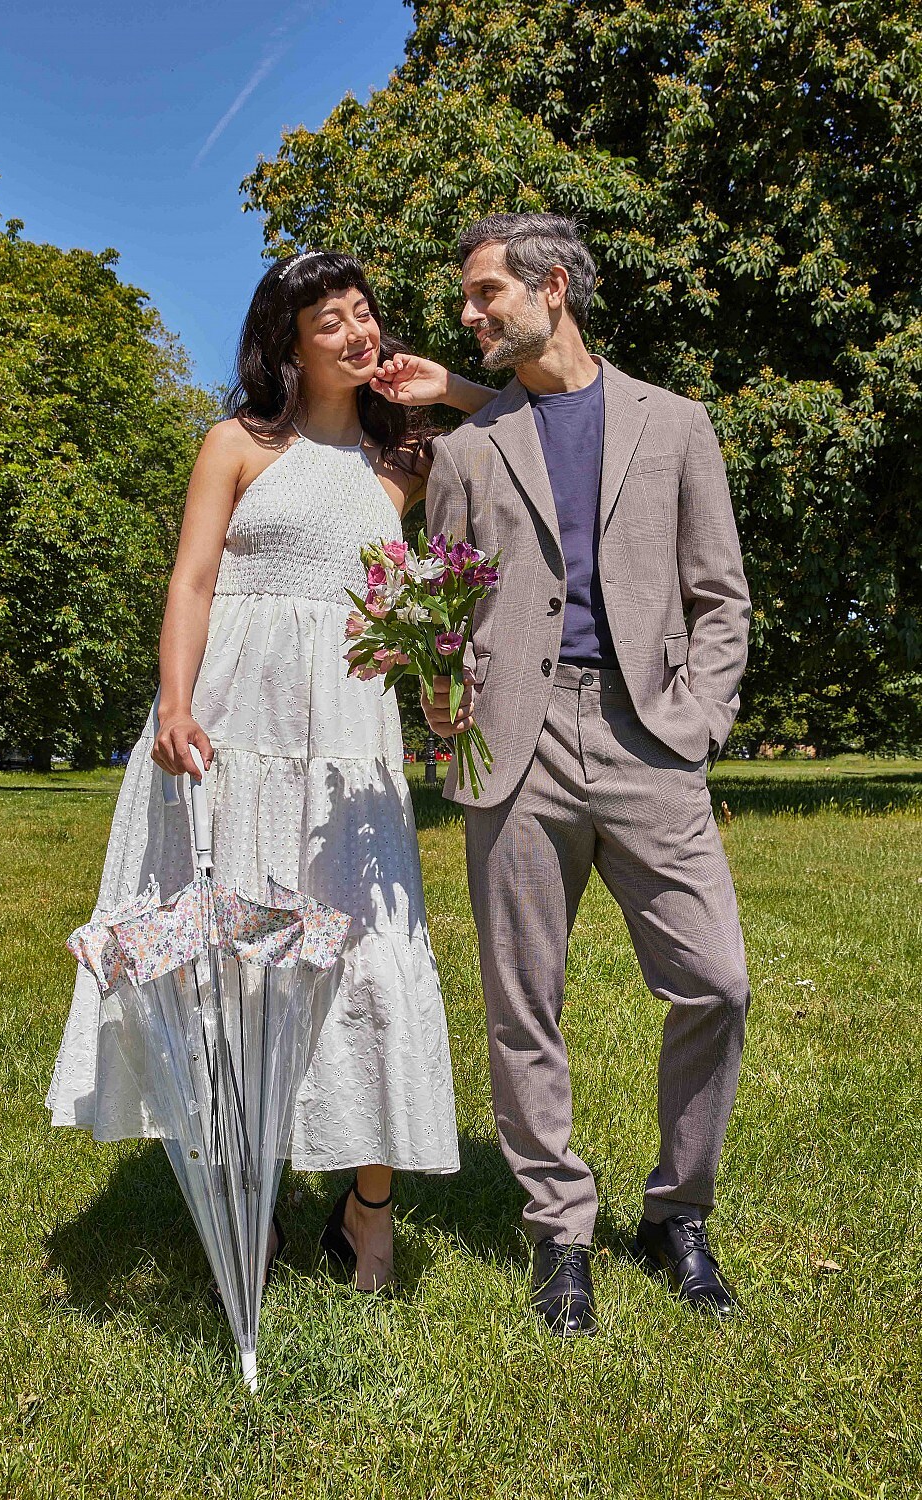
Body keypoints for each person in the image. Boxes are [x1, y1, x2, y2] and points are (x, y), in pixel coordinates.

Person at [46, 251, 491, 1293]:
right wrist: (175, 704)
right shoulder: (238, 443)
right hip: (233, 724)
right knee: (232, 957)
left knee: (367, 950)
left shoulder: (406, 461)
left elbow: (531, 425)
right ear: (287, 344)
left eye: (364, 312)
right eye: (329, 319)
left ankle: (367, 1209)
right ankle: (249, 1196)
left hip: (346, 734)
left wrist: (450, 387)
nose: (356, 331)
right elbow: (194, 580)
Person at [421, 213, 752, 1334]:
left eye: (484, 292)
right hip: (511, 744)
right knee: (524, 1002)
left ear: (550, 287)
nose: (468, 312)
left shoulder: (676, 422)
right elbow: (442, 599)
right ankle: (560, 1231)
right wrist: (441, 689)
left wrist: (698, 718)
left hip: (648, 733)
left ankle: (676, 1213)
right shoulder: (468, 449)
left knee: (715, 982)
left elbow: (720, 595)